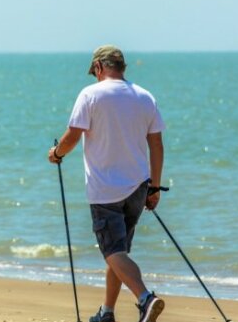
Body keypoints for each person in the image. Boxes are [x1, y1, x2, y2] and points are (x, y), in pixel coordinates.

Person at [47, 45, 166, 322]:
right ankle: (107, 312)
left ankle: (145, 298)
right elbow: (157, 144)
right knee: (119, 253)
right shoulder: (145, 97)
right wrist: (155, 187)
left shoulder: (90, 95)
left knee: (112, 252)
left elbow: (72, 136)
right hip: (138, 187)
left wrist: (56, 154)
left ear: (99, 67)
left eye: (94, 72)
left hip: (105, 190)